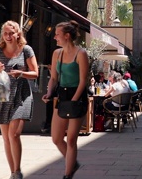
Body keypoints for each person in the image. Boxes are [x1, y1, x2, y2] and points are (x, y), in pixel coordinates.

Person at [0, 20, 39, 179]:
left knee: (14, 134)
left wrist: (21, 74)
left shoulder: (26, 50)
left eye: (12, 33)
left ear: (18, 34)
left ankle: (17, 171)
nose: (8, 36)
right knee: (6, 137)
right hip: (2, 92)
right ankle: (13, 173)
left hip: (21, 95)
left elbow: (35, 73)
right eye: (5, 33)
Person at [41, 21, 89, 179]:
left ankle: (68, 174)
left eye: (57, 34)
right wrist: (49, 93)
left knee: (71, 139)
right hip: (62, 95)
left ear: (67, 36)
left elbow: (83, 81)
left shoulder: (80, 53)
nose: (55, 37)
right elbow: (54, 78)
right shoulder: (57, 54)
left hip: (77, 96)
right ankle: (72, 162)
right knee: (56, 138)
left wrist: (74, 101)